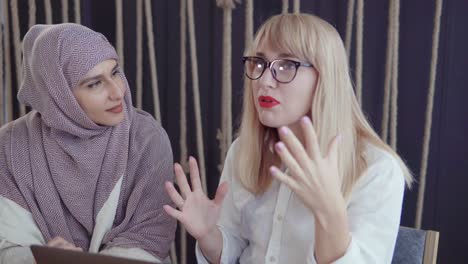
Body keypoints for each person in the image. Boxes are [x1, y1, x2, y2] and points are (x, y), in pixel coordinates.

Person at [164, 13, 413, 264]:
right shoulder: (244, 150)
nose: (264, 81)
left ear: (325, 77)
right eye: (259, 63)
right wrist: (209, 235)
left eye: (286, 65)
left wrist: (329, 214)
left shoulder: (377, 169)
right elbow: (234, 248)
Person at [0, 23, 176, 263]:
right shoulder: (11, 146)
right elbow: (7, 246)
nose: (118, 92)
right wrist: (45, 258)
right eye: (95, 83)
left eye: (115, 72)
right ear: (58, 94)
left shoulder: (146, 139)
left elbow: (150, 238)